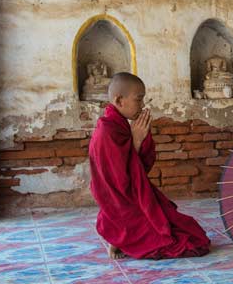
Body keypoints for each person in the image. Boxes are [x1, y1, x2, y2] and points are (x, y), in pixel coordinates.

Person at [88, 72, 211, 260]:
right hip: (122, 203)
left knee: (193, 233)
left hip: (132, 198)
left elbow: (138, 170)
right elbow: (118, 182)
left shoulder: (120, 126)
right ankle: (118, 235)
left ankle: (120, 236)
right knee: (189, 243)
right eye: (139, 99)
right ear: (119, 100)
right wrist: (136, 142)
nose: (143, 105)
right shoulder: (107, 130)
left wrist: (137, 139)